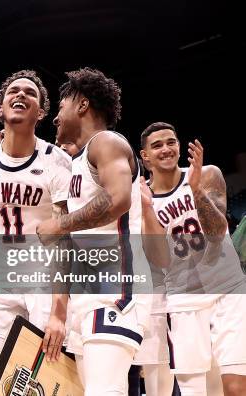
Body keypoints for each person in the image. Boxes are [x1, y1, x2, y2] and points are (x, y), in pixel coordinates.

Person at [36, 67, 152, 395]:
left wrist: (59, 224)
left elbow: (118, 200)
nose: (55, 118)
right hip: (85, 297)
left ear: (82, 105)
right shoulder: (76, 163)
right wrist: (60, 311)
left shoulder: (108, 142)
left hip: (115, 290)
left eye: (60, 107)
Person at [0, 69, 72, 386]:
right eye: (13, 91)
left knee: (40, 384)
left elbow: (65, 238)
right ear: (0, 108)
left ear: (42, 112)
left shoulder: (57, 160)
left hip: (44, 282)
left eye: (30, 93)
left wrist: (59, 313)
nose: (20, 95)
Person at [140, 121, 246, 396]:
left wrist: (196, 190)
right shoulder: (141, 199)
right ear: (145, 156)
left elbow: (216, 232)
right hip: (184, 298)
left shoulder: (208, 174)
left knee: (235, 386)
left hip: (229, 289)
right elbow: (160, 259)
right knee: (197, 392)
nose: (166, 149)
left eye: (171, 142)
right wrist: (148, 211)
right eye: (157, 145)